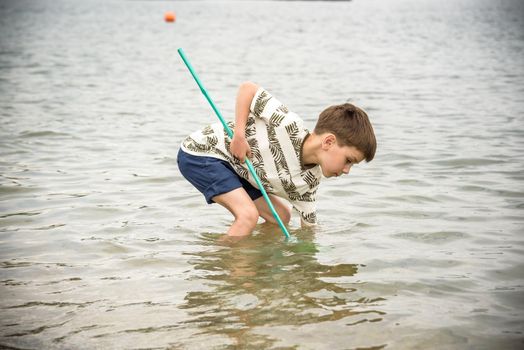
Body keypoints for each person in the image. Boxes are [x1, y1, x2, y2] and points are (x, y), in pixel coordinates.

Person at [177, 81, 376, 237]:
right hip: (203, 152)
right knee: (247, 216)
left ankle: (256, 257)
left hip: (237, 169)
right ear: (329, 142)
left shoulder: (310, 181)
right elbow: (248, 89)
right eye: (349, 160)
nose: (347, 170)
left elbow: (309, 228)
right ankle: (229, 272)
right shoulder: (289, 125)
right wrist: (239, 136)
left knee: (281, 215)